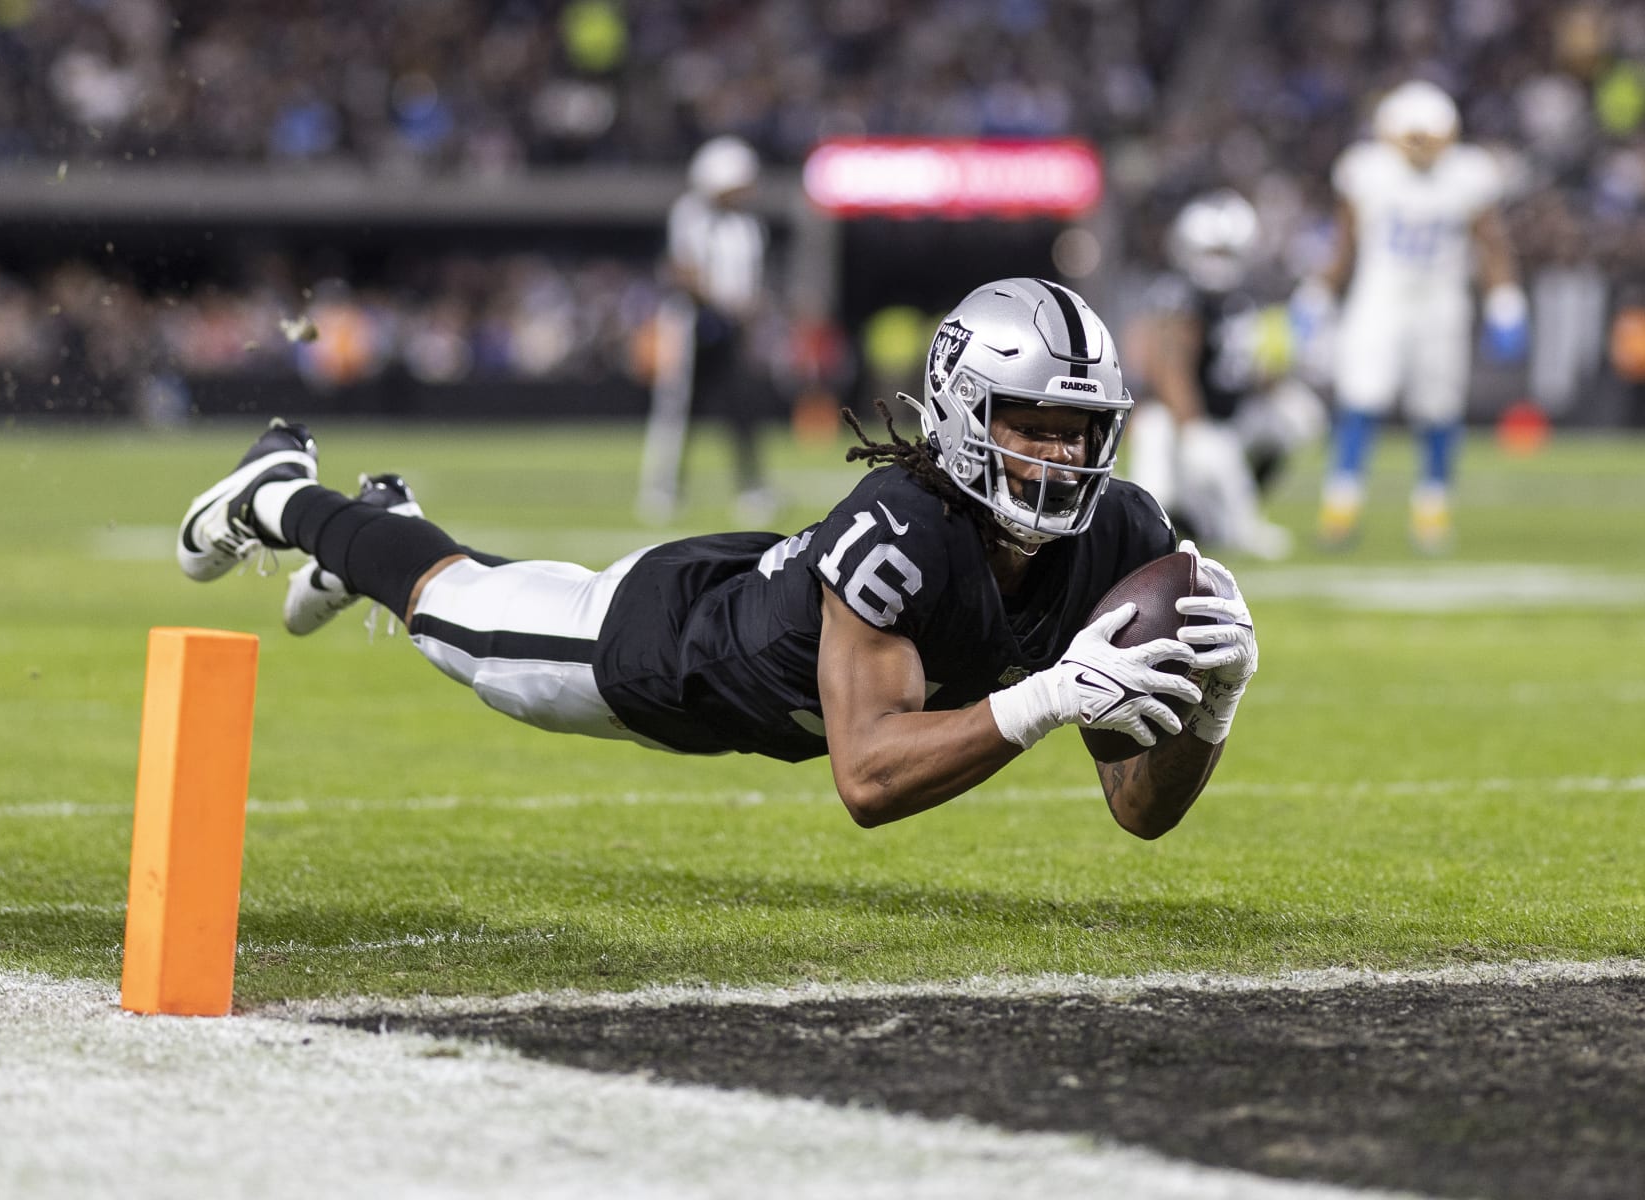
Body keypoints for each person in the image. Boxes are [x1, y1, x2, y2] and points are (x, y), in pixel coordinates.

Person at [178, 279, 1259, 836]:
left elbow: (1138, 811)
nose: (1063, 456)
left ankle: (381, 524)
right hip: (679, 650)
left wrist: (1210, 707)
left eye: (1080, 430)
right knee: (464, 623)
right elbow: (869, 778)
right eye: (1035, 424)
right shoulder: (905, 531)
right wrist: (1046, 701)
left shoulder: (1120, 533)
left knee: (477, 590)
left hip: (774, 606)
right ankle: (283, 493)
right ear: (969, 414)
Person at [1296, 79, 1528, 553]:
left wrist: (1506, 299)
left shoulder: (1469, 174)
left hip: (1442, 301)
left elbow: (1492, 243)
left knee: (1440, 409)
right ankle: (1341, 507)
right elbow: (1346, 244)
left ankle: (1432, 511)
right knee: (1361, 399)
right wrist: (1317, 294)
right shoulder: (1367, 171)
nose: (1422, 148)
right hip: (1380, 297)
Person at [1124, 189, 1326, 561]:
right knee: (1163, 483)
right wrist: (1193, 425)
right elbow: (1169, 367)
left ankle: (1224, 520)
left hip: (1230, 416)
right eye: (1211, 253)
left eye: (1226, 253)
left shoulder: (1250, 295)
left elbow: (1253, 367)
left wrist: (1274, 372)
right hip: (1175, 420)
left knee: (1299, 415)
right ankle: (1162, 526)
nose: (1218, 263)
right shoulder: (1178, 294)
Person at [636, 135, 775, 526]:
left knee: (741, 407)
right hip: (691, 323)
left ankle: (752, 487)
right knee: (677, 409)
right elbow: (683, 270)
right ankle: (662, 487)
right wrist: (723, 300)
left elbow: (750, 282)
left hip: (730, 328)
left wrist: (747, 310)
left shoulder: (747, 227)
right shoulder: (690, 214)